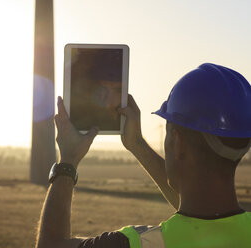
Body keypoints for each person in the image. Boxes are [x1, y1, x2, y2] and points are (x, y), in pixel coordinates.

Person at [35, 63, 251, 248]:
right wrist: (137, 145)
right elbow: (203, 205)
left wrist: (68, 161)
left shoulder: (140, 243)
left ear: (177, 141)